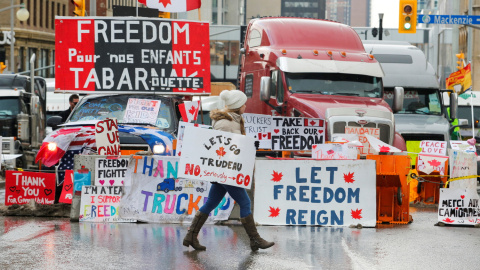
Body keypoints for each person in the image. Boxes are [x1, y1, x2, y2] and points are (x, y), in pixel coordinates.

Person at [183, 90, 275, 251]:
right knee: (245, 202)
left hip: (227, 170)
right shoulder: (226, 123)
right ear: (238, 106)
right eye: (244, 104)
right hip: (227, 172)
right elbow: (219, 148)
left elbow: (235, 146)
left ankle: (190, 236)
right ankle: (255, 240)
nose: (245, 106)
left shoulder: (234, 121)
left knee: (211, 202)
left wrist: (250, 147)